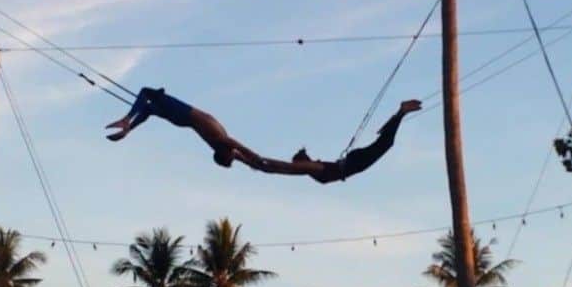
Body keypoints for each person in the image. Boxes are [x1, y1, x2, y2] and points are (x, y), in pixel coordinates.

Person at [106, 88, 421, 183]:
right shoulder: (318, 170)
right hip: (345, 166)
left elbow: (254, 158)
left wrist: (253, 159)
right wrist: (252, 159)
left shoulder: (220, 141)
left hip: (344, 167)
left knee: (150, 97)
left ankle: (401, 112)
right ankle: (127, 122)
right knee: (150, 103)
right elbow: (256, 160)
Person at [247, 99, 422, 184]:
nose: (296, 167)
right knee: (383, 143)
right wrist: (257, 162)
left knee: (384, 144)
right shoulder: (310, 171)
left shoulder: (312, 168)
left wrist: (260, 160)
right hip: (354, 162)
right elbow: (280, 170)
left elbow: (283, 167)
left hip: (354, 163)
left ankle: (402, 111)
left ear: (301, 162)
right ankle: (400, 113)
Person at [105, 87, 259, 168]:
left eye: (231, 159)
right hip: (182, 117)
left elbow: (251, 156)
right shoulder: (225, 146)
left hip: (183, 114)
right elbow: (257, 163)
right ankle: (128, 126)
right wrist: (281, 167)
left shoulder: (223, 143)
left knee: (147, 93)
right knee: (148, 108)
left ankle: (126, 122)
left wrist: (258, 160)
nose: (235, 157)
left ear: (224, 155)